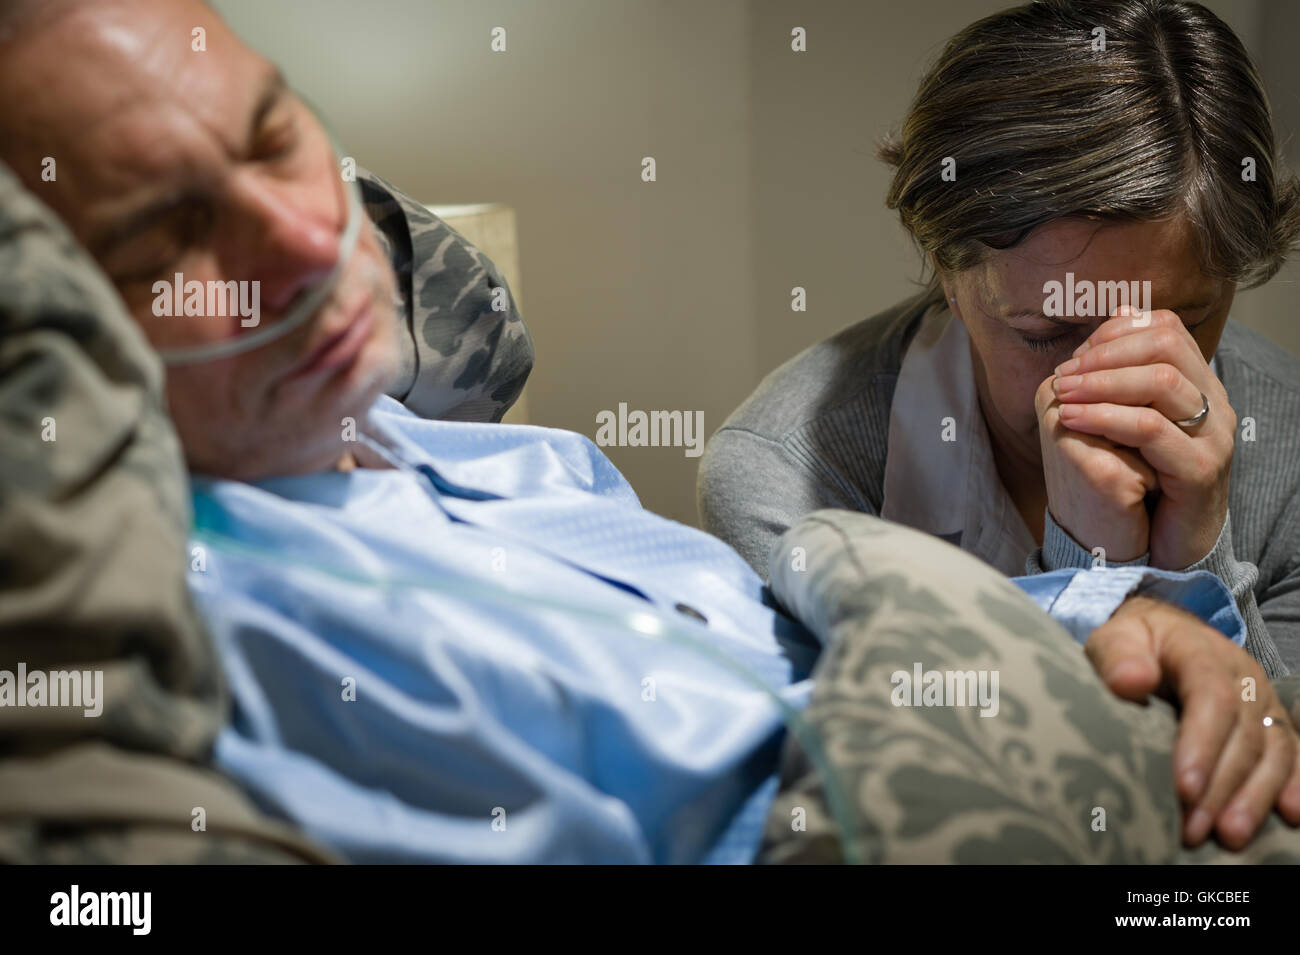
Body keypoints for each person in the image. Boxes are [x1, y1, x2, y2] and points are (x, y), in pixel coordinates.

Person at [1, 0, 1297, 863]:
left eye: (279, 138)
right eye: (164, 239)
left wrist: (1151, 590)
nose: (310, 240)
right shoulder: (199, 608)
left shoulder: (517, 459)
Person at [698, 0, 1300, 679]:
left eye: (1182, 324)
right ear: (948, 273)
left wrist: (1199, 561)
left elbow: (1275, 766)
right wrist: (1095, 569)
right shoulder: (790, 478)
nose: (1122, 376)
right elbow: (909, 775)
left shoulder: (1290, 455)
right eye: (1048, 332)